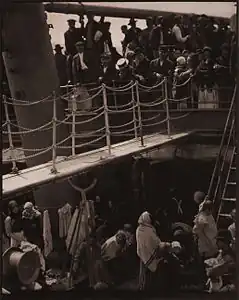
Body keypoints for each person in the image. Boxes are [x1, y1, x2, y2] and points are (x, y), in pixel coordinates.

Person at [136, 211, 180, 293]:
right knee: (154, 269)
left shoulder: (139, 229)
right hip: (150, 253)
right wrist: (165, 245)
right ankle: (152, 288)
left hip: (143, 253)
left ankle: (144, 287)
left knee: (144, 272)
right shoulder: (148, 230)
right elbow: (155, 244)